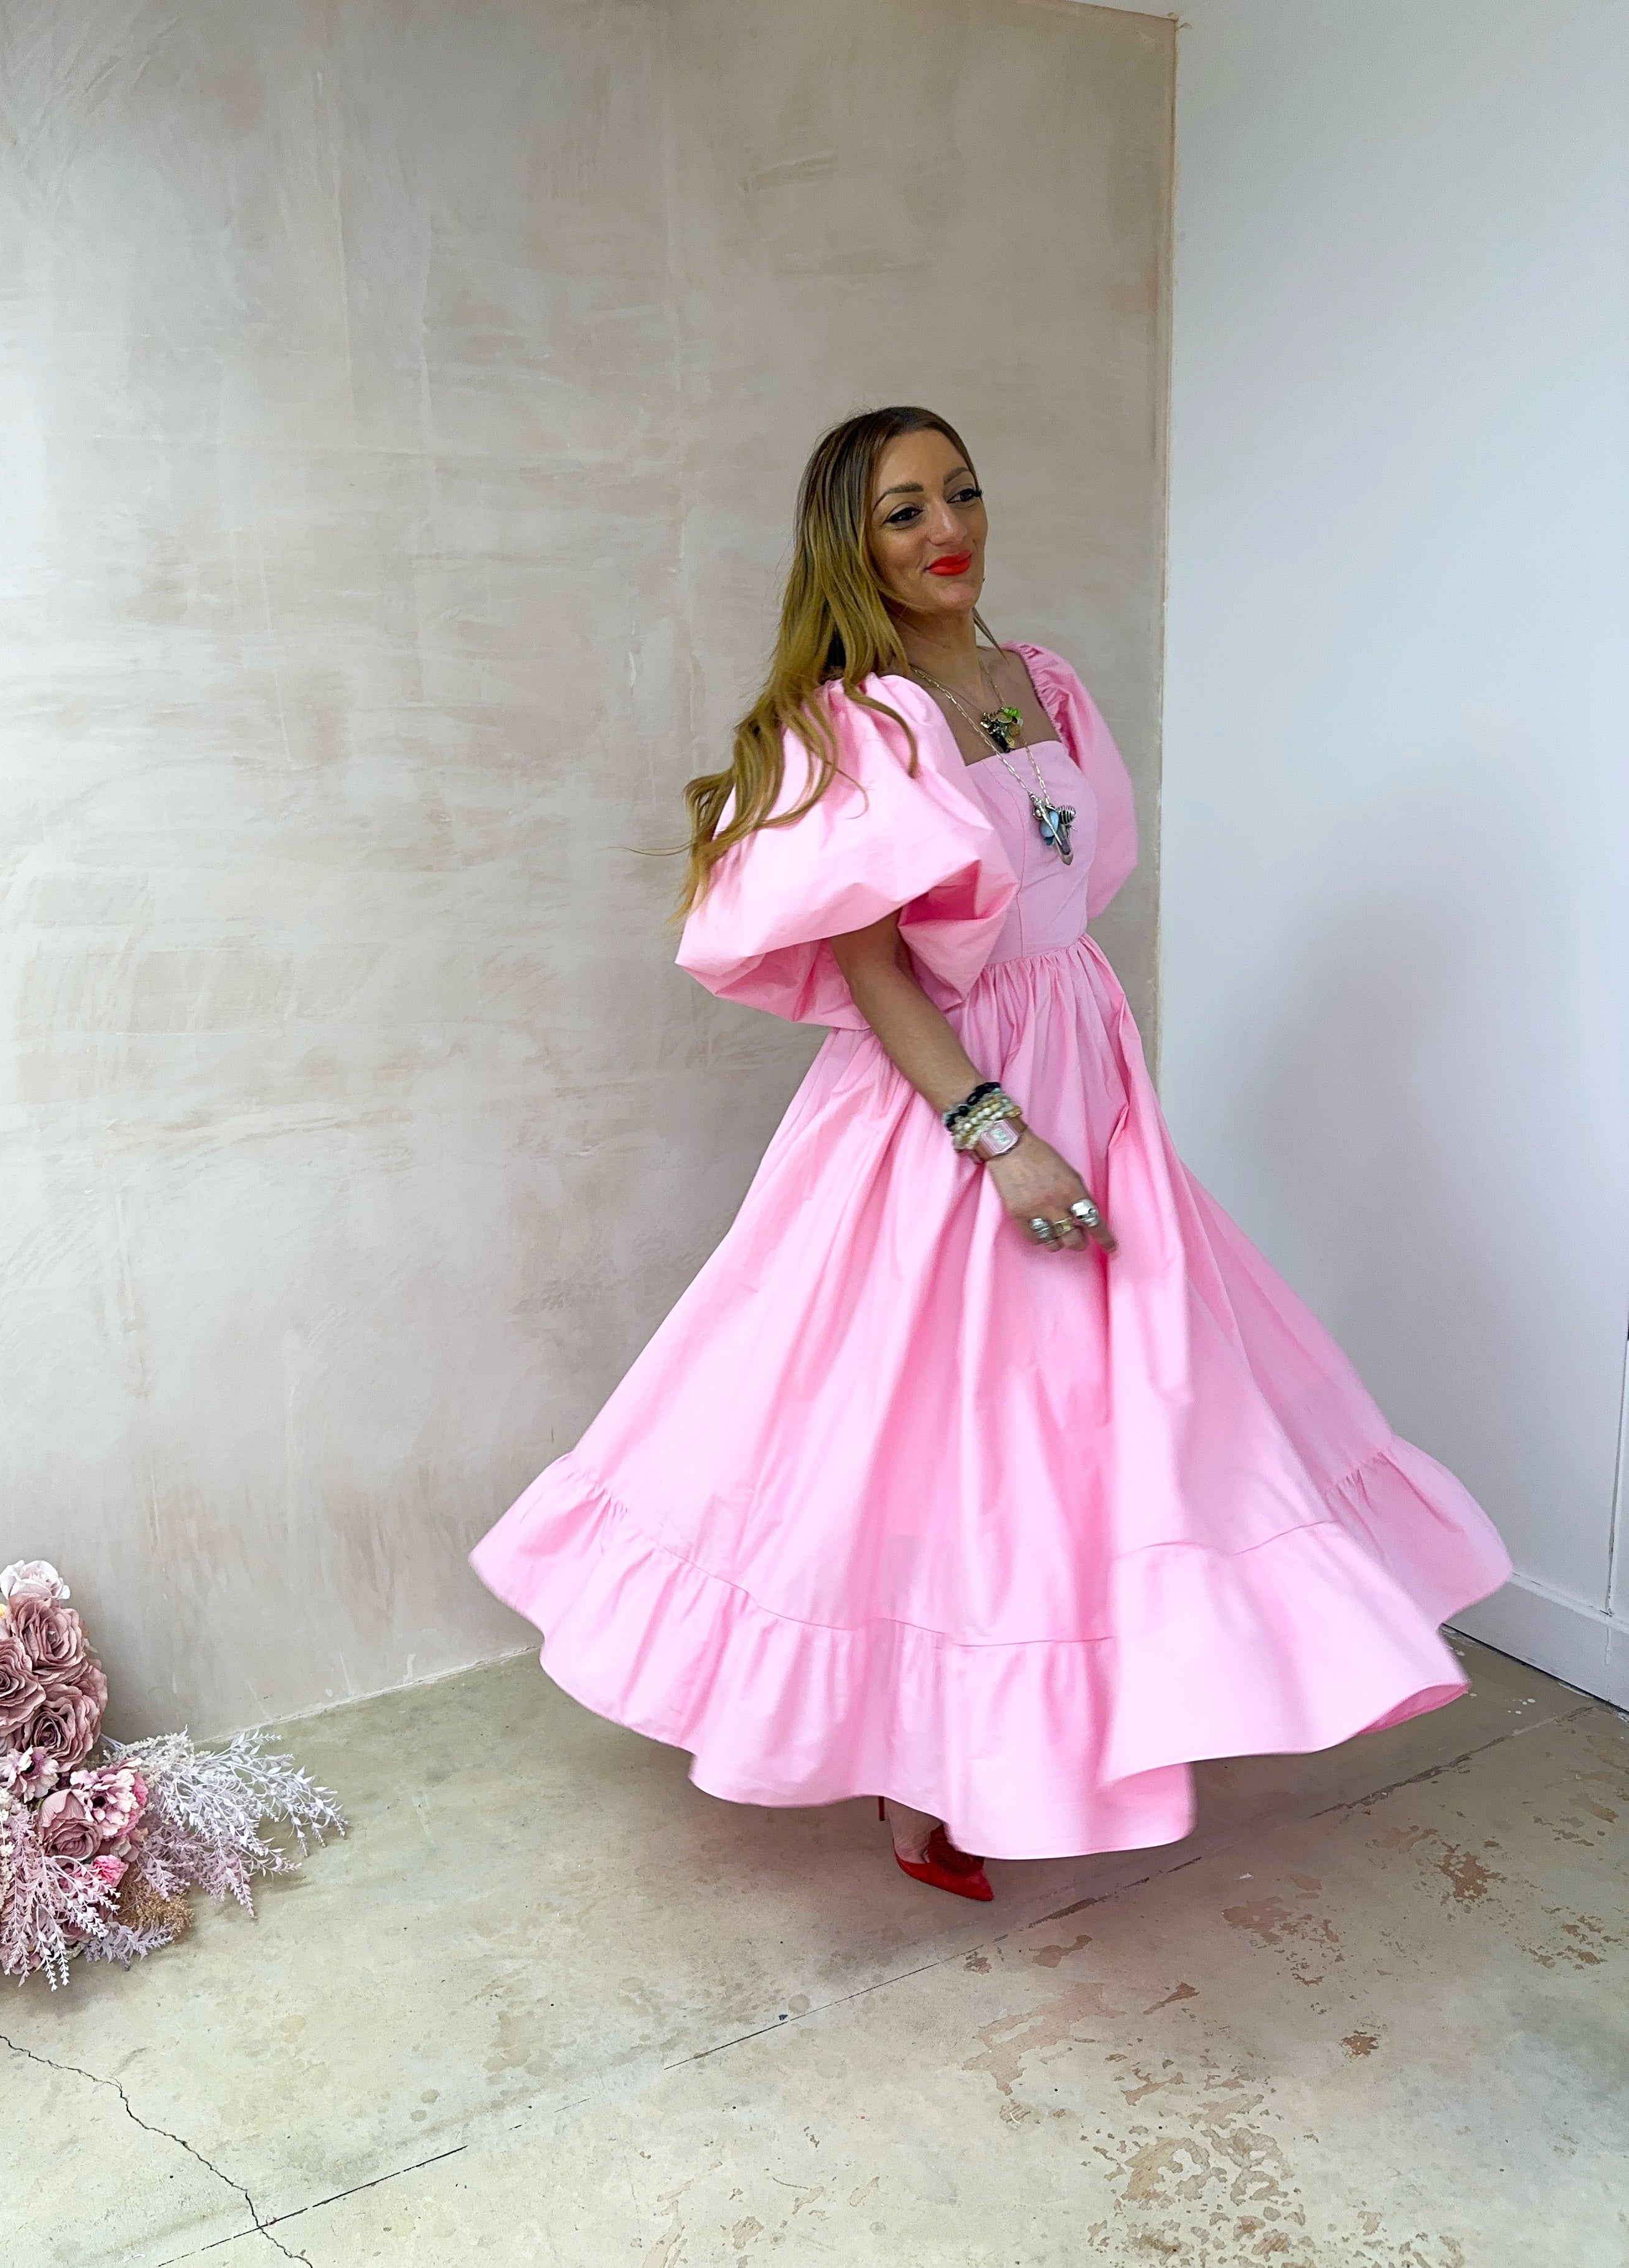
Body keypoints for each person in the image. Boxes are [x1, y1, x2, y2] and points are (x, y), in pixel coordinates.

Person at [471, 405, 1510, 1901]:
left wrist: (1074, 1091)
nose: (944, 527)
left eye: (957, 491)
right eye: (902, 510)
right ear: (851, 543)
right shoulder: (856, 723)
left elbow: (1066, 890)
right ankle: (917, 1769)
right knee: (926, 1425)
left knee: (1092, 1417)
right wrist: (996, 1136)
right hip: (943, 1093)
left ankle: (1066, 1724)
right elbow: (876, 966)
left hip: (1082, 1057)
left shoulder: (1044, 684)